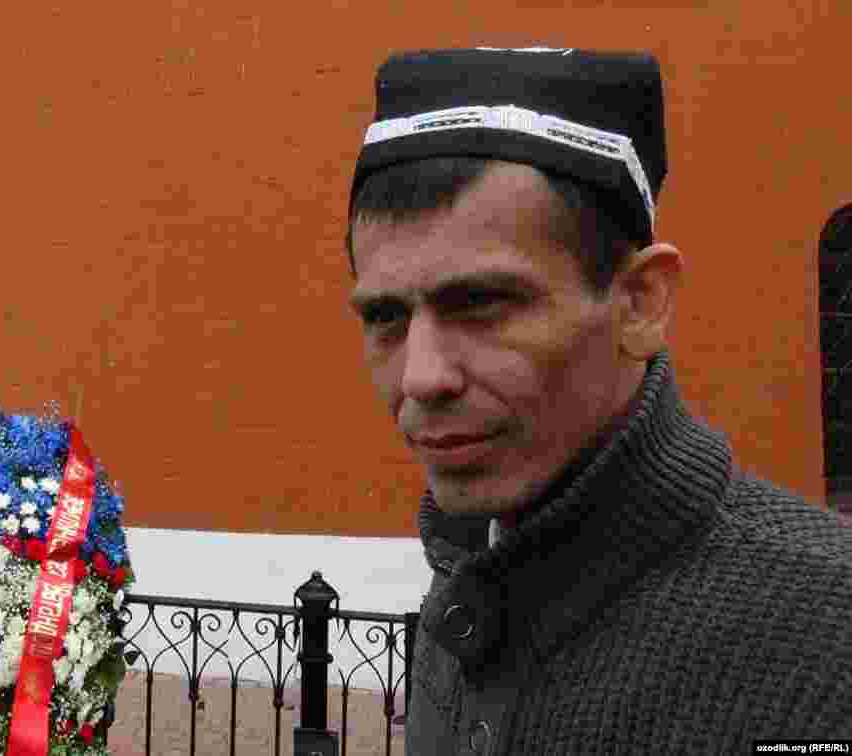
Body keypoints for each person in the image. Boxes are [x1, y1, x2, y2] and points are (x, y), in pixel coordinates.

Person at [345, 48, 852, 754]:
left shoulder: (829, 631)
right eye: (385, 317)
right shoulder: (468, 576)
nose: (422, 378)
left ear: (641, 302)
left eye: (482, 303)